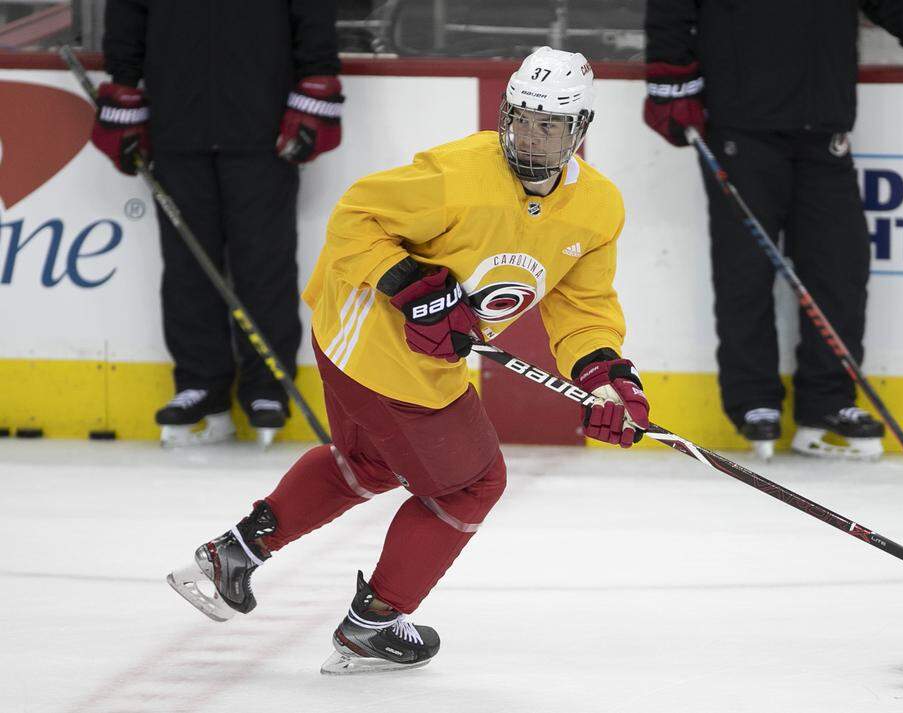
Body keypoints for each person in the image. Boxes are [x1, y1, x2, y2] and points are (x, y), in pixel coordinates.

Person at [167, 47, 650, 673]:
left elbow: (583, 310)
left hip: (351, 341)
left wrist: (607, 379)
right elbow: (354, 220)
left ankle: (232, 555)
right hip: (376, 341)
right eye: (522, 119)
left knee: (370, 462)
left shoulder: (598, 208)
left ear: (579, 130)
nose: (531, 136)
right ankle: (375, 624)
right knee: (475, 483)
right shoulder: (456, 175)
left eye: (550, 125)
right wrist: (413, 286)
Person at [643, 1, 903, 460]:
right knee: (744, 269)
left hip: (823, 122)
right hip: (740, 124)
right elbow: (670, 9)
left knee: (839, 268)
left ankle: (827, 403)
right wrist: (670, 84)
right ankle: (754, 400)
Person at [92, 0, 344, 447]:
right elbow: (128, 16)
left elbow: (313, 15)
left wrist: (316, 83)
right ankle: (200, 384)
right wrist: (123, 87)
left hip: (264, 132)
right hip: (175, 127)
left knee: (264, 264)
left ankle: (266, 388)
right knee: (187, 266)